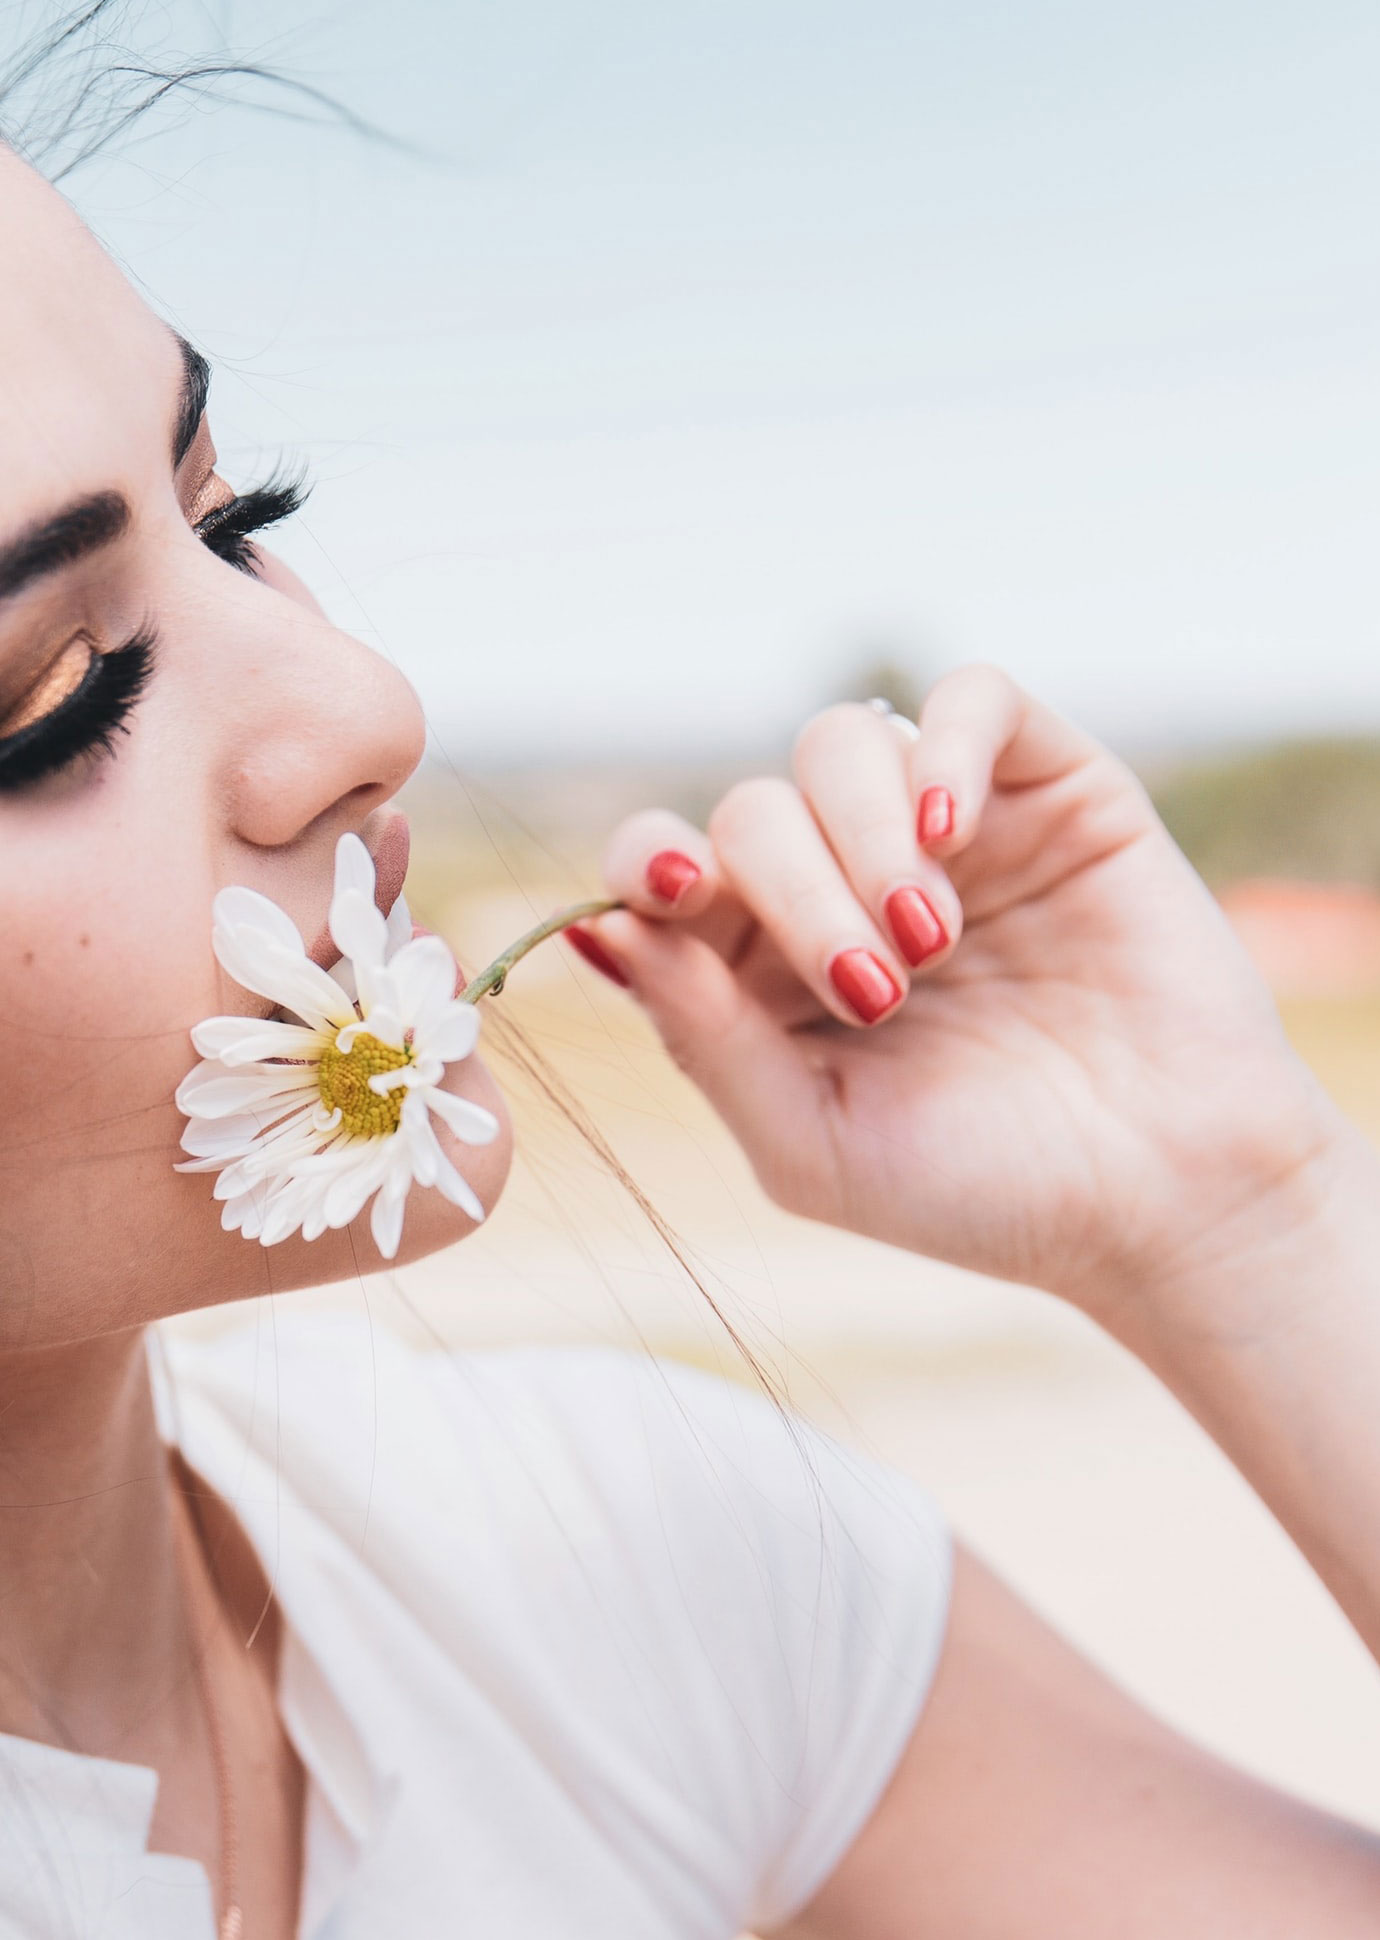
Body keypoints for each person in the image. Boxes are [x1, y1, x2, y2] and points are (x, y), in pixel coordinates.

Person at [0, 130, 1378, 1940]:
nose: (369, 704)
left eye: (236, 522)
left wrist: (1234, 1210)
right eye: (57, 693)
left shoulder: (613, 1556)